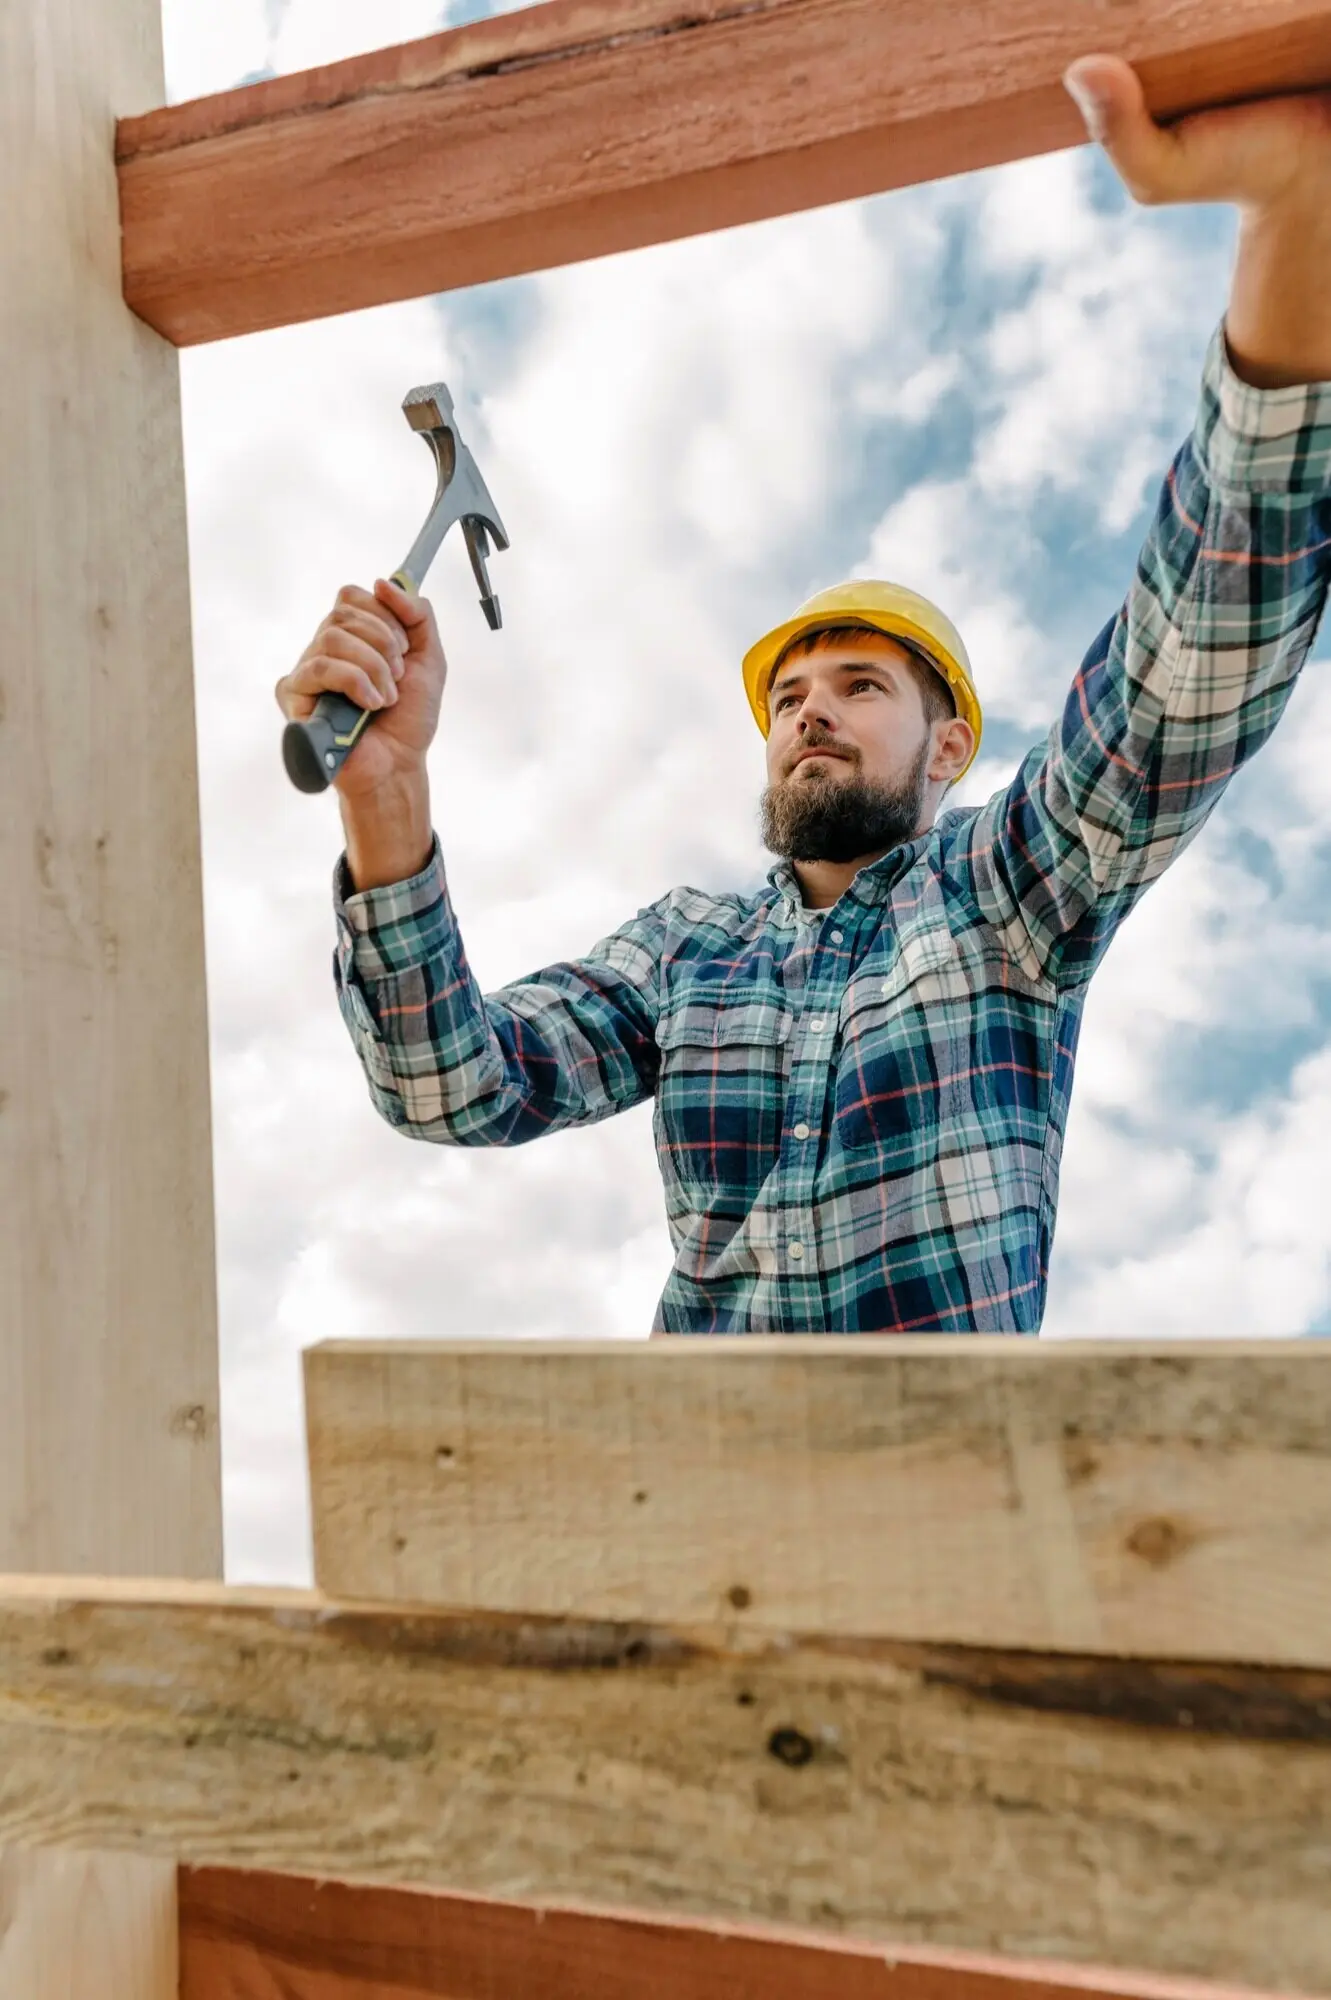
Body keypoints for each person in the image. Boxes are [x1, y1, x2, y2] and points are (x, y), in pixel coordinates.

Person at [277, 58, 1331, 1334]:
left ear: (947, 746)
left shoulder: (1007, 892)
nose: (808, 713)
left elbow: (1185, 668)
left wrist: (1293, 226)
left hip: (939, 1508)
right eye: (786, 696)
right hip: (691, 1509)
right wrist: (386, 797)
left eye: (857, 685)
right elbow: (451, 1086)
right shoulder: (686, 954)